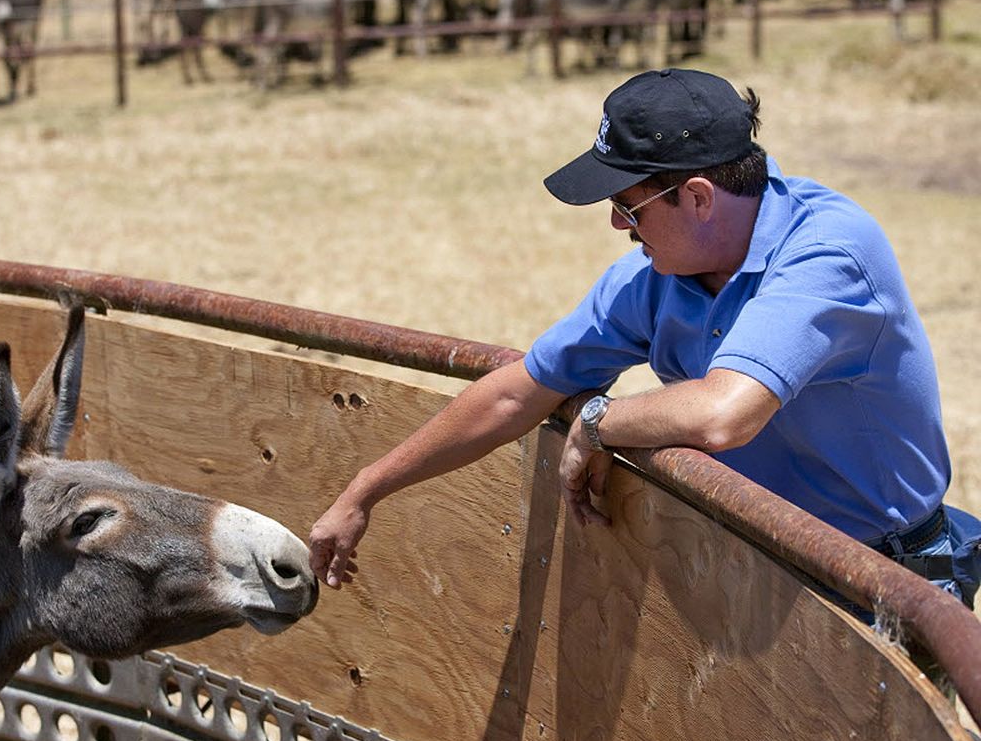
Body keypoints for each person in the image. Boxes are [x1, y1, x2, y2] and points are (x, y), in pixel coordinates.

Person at [308, 67, 980, 618]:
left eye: (628, 205)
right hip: (761, 568)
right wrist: (366, 490)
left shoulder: (826, 254)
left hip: (878, 583)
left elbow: (724, 414)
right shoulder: (655, 275)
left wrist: (601, 422)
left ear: (697, 197)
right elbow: (519, 391)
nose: (613, 223)